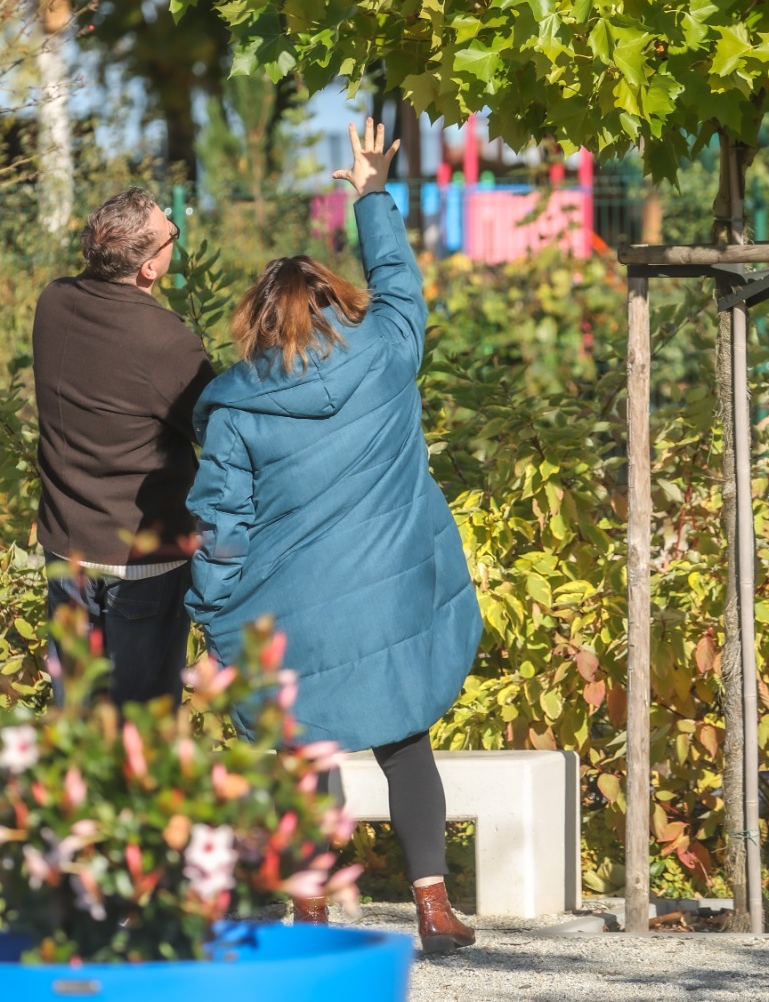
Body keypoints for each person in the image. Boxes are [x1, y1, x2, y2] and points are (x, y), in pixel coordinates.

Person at [185, 120, 482, 954]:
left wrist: (209, 615)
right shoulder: (388, 352)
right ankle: (432, 907)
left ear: (256, 321)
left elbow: (222, 526)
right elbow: (398, 280)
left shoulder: (239, 410)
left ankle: (311, 915)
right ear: (332, 300)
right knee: (405, 738)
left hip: (287, 613)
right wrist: (370, 190)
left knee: (298, 753)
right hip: (388, 598)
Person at [32, 187, 216, 707]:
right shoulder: (165, 340)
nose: (175, 241)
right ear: (150, 269)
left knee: (80, 721)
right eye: (171, 235)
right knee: (144, 729)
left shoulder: (54, 302)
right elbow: (218, 427)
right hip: (143, 560)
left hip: (67, 547)